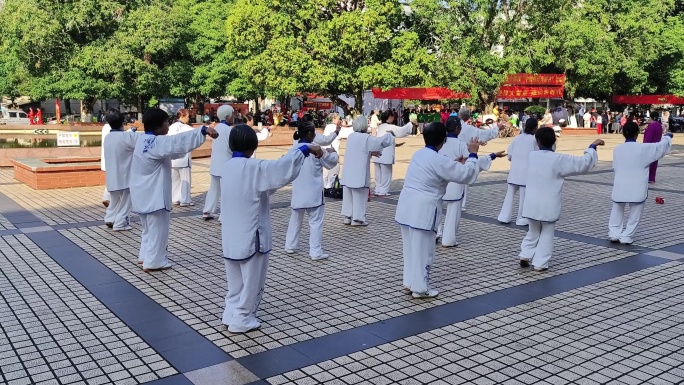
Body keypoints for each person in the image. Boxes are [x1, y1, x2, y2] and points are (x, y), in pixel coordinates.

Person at [220, 125, 323, 333]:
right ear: (252, 144)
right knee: (252, 280)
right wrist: (305, 149)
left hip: (231, 235)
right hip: (252, 234)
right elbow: (280, 169)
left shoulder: (228, 167)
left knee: (235, 281)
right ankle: (242, 318)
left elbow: (269, 180)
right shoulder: (253, 167)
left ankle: (230, 313)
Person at [396, 122, 504, 298]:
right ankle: (420, 288)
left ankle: (409, 282)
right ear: (443, 140)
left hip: (406, 206)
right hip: (423, 209)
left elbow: (439, 170)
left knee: (410, 249)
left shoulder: (419, 154)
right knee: (424, 251)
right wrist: (473, 154)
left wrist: (457, 162)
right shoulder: (439, 160)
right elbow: (466, 175)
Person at [130, 109, 218, 272]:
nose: (168, 126)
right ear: (158, 126)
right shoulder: (157, 143)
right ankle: (154, 261)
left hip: (141, 193)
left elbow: (173, 149)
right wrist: (203, 130)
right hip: (154, 195)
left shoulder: (143, 140)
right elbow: (178, 142)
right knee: (158, 230)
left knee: (148, 229)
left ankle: (145, 257)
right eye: (165, 122)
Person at [519, 127, 604, 271]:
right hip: (548, 204)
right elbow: (583, 164)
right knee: (547, 232)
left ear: (537, 141)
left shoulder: (532, 156)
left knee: (533, 230)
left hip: (531, 202)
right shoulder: (559, 159)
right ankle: (540, 263)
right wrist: (592, 147)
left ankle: (525, 254)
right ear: (554, 141)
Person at [437, 117, 504, 247]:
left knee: (437, 210)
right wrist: (492, 156)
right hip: (455, 183)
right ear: (458, 129)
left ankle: (435, 233)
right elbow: (473, 163)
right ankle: (448, 239)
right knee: (453, 212)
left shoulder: (439, 144)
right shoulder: (462, 146)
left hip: (439, 183)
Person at [609, 122, 672, 245]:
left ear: (623, 133)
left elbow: (615, 167)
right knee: (635, 213)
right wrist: (668, 137)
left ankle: (614, 233)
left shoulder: (617, 149)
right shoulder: (643, 149)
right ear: (637, 134)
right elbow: (660, 147)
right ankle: (626, 236)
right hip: (636, 186)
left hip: (620, 185)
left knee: (617, 209)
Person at [284, 122, 339, 260]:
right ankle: (315, 251)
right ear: (309, 134)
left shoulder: (293, 149)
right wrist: (333, 152)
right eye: (313, 132)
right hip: (313, 193)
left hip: (298, 192)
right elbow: (331, 162)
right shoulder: (316, 150)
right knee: (315, 222)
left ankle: (290, 245)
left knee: (295, 219)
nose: (315, 135)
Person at [341, 117, 395, 226]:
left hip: (348, 171)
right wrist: (389, 134)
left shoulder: (351, 137)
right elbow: (380, 142)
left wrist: (370, 153)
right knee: (359, 195)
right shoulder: (366, 138)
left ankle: (348, 216)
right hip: (359, 172)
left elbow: (358, 151)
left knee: (348, 194)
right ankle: (358, 219)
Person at [498, 118, 539, 226]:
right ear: (535, 128)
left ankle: (504, 216)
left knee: (509, 195)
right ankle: (521, 218)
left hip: (514, 172)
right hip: (526, 174)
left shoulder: (517, 138)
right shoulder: (534, 140)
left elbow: (509, 155)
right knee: (523, 197)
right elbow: (538, 156)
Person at [457, 108, 500, 211]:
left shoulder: (451, 126)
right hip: (464, 157)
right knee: (463, 179)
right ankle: (461, 203)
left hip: (452, 157)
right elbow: (483, 135)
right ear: (468, 117)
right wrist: (497, 129)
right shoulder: (468, 129)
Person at [102, 110, 137, 231]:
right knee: (126, 201)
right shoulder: (125, 137)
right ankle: (121, 223)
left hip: (112, 176)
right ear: (123, 122)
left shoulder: (108, 137)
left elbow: (126, 137)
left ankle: (110, 218)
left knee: (114, 200)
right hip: (125, 176)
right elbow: (137, 140)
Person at [203, 105, 234, 221]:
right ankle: (223, 216)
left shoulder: (216, 127)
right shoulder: (229, 130)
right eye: (232, 114)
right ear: (227, 116)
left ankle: (207, 210)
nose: (234, 116)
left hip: (215, 163)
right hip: (225, 164)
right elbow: (232, 147)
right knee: (226, 191)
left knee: (214, 189)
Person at [372, 111, 412, 196]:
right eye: (393, 116)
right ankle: (383, 191)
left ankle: (377, 189)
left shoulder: (380, 127)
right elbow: (402, 131)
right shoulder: (390, 127)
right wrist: (410, 124)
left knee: (378, 174)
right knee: (386, 174)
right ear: (389, 117)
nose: (394, 118)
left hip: (377, 153)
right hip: (386, 154)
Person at [169, 109, 195, 207]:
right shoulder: (186, 128)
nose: (189, 118)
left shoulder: (171, 127)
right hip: (183, 158)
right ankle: (185, 200)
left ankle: (175, 199)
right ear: (183, 116)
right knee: (185, 180)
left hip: (172, 158)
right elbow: (198, 132)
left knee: (175, 180)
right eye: (188, 116)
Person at [322, 113, 343, 189]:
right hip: (333, 152)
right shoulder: (336, 128)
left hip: (325, 152)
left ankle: (324, 186)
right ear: (333, 119)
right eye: (338, 119)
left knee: (325, 171)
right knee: (334, 171)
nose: (339, 120)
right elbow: (344, 134)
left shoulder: (327, 127)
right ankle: (330, 187)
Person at [643, 112, 664, 184]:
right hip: (656, 146)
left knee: (648, 163)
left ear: (650, 117)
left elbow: (649, 138)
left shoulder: (652, 126)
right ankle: (651, 178)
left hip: (650, 146)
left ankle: (646, 177)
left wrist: (644, 146)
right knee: (654, 163)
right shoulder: (659, 125)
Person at [101, 119, 113, 212]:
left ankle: (106, 197)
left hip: (108, 159)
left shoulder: (105, 127)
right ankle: (107, 198)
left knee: (110, 180)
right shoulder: (110, 129)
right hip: (114, 161)